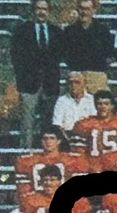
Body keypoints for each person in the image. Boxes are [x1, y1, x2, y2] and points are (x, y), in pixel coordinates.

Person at [11, 0, 61, 149]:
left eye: (44, 9)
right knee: (27, 123)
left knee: (49, 122)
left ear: (49, 11)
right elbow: (15, 56)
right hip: (28, 84)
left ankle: (47, 154)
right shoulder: (22, 30)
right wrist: (21, 79)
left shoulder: (56, 31)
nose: (41, 12)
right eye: (38, 8)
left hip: (50, 84)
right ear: (33, 10)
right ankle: (26, 154)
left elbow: (59, 56)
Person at [62, 0, 114, 93]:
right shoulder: (69, 31)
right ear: (78, 9)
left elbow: (110, 53)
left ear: (94, 10)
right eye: (81, 8)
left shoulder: (103, 31)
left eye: (87, 9)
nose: (84, 12)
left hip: (97, 77)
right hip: (76, 76)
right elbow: (65, 54)